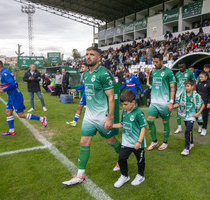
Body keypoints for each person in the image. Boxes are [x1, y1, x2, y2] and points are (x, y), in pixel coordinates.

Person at [62, 46, 122, 186]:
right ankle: (80, 175)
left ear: (99, 58)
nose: (88, 57)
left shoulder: (104, 74)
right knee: (84, 142)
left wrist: (110, 118)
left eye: (92, 55)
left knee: (110, 141)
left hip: (103, 117)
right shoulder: (86, 74)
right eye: (87, 54)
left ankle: (122, 158)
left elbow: (111, 98)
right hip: (89, 116)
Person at [0, 60, 47, 136]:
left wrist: (4, 89)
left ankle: (41, 118)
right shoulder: (4, 72)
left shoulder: (5, 73)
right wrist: (2, 85)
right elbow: (10, 83)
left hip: (15, 96)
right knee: (8, 112)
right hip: (11, 96)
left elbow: (13, 84)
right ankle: (11, 131)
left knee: (21, 114)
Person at [112, 90, 147, 188]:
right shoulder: (124, 111)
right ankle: (124, 176)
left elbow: (143, 128)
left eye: (126, 104)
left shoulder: (139, 113)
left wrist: (139, 141)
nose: (124, 107)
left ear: (133, 102)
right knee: (121, 159)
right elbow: (122, 124)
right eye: (122, 104)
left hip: (137, 143)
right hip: (126, 142)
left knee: (140, 161)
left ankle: (140, 175)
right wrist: (112, 125)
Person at [146, 53, 176, 151]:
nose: (154, 64)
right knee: (150, 120)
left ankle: (165, 142)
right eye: (153, 61)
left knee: (165, 123)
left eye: (156, 62)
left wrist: (171, 102)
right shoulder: (154, 72)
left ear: (161, 61)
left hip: (164, 102)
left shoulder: (168, 72)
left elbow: (172, 87)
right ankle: (154, 141)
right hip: (154, 101)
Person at [174, 79, 205, 155]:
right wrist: (173, 106)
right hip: (184, 115)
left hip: (192, 116)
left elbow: (203, 104)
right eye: (185, 86)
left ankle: (186, 148)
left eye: (188, 86)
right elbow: (178, 103)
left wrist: (198, 113)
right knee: (189, 130)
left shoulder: (196, 95)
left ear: (192, 86)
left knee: (187, 131)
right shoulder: (182, 94)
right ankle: (191, 142)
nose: (186, 88)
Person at [174, 60, 195, 134]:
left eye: (182, 67)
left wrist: (194, 92)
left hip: (188, 94)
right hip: (179, 95)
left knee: (188, 110)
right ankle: (179, 127)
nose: (181, 68)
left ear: (185, 66)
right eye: (179, 67)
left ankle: (190, 126)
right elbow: (176, 85)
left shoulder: (189, 73)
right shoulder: (177, 74)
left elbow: (193, 83)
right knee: (178, 111)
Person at [196, 72, 210, 136]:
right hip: (198, 102)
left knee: (205, 116)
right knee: (197, 115)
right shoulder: (199, 82)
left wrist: (209, 103)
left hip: (205, 103)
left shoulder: (209, 83)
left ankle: (204, 129)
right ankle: (200, 125)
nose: (200, 78)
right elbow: (197, 92)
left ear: (206, 77)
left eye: (202, 77)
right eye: (200, 77)